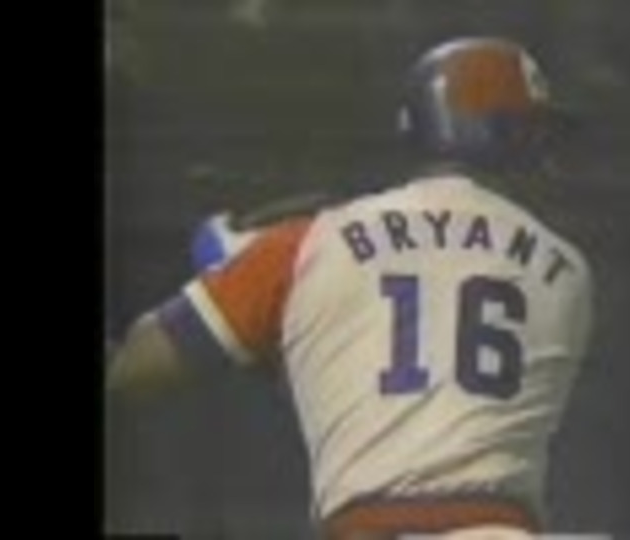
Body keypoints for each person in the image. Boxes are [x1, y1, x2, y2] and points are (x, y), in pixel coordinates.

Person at [107, 36, 596, 539]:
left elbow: (135, 368)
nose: (544, 155)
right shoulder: (567, 271)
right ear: (498, 136)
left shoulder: (305, 245)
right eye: (532, 134)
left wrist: (240, 269)